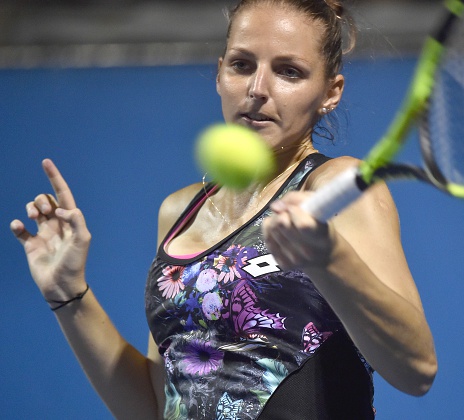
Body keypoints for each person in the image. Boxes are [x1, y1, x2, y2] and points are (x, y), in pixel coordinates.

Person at [10, 0, 437, 418]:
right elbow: (158, 406)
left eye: (289, 71)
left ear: (330, 92)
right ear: (219, 74)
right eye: (242, 64)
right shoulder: (178, 212)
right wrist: (67, 293)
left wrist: (330, 258)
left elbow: (416, 370)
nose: (257, 89)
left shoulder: (338, 188)